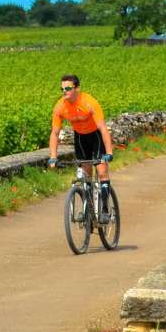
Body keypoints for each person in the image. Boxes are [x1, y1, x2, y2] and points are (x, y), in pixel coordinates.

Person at [48, 74, 115, 222]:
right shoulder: (60, 107)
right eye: (62, 89)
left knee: (102, 170)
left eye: (68, 88)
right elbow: (55, 133)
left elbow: (103, 128)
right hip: (80, 137)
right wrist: (53, 156)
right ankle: (88, 210)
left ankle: (104, 210)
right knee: (85, 174)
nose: (64, 91)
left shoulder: (89, 102)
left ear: (77, 88)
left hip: (96, 136)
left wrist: (109, 152)